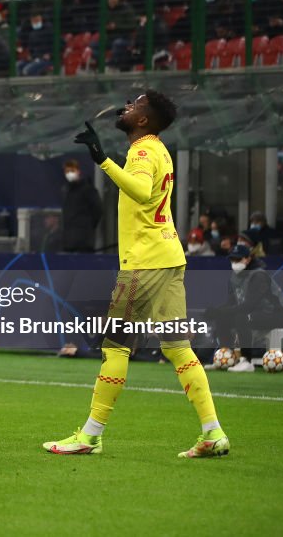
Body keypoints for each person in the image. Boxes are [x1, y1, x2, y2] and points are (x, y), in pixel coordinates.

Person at [46, 91, 229, 458]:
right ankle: (213, 432)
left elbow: (144, 192)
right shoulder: (160, 149)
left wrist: (103, 161)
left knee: (114, 346)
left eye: (135, 105)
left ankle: (90, 436)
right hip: (170, 257)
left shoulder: (142, 151)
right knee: (178, 347)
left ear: (144, 120)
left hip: (144, 263)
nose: (126, 107)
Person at [204, 243, 283, 371]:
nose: (234, 263)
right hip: (255, 313)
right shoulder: (234, 277)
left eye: (238, 259)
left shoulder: (258, 276)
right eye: (232, 259)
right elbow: (231, 303)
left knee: (241, 317)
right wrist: (217, 312)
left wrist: (220, 311)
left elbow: (248, 306)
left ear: (248, 259)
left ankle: (246, 361)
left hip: (275, 314)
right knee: (223, 318)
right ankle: (226, 355)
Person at [61, 159, 102, 253]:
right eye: (67, 171)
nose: (69, 174)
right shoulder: (66, 190)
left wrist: (87, 225)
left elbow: (98, 210)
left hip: (84, 242)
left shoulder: (88, 190)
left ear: (78, 171)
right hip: (68, 242)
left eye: (72, 171)